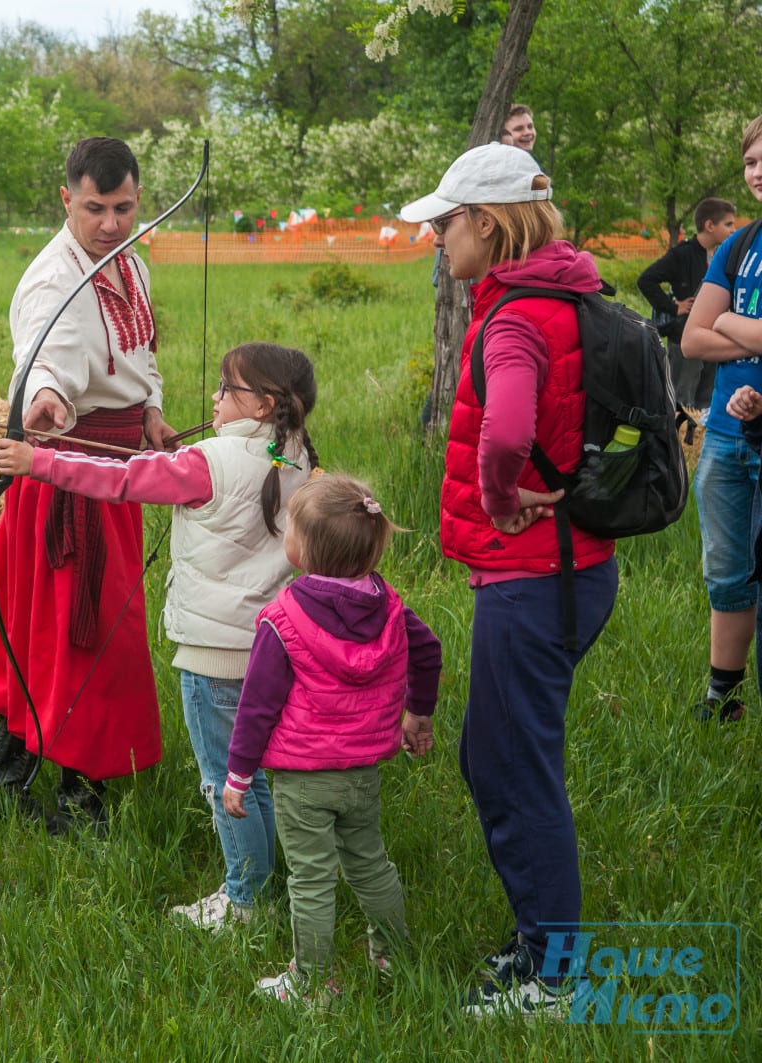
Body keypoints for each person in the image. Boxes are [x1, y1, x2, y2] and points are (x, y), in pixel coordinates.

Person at [398, 142, 619, 1017]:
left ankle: (553, 977)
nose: (436, 240)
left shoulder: (518, 317)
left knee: (511, 766)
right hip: (572, 567)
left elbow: (506, 430)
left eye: (444, 224)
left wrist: (499, 496)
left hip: (534, 575)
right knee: (505, 756)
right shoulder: (570, 291)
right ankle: (539, 940)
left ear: (486, 225)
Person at [0, 342, 317, 923]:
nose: (215, 397)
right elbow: (226, 476)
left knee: (224, 781)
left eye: (228, 389)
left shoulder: (207, 465)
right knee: (254, 775)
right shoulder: (295, 455)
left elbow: (120, 479)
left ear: (265, 404)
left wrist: (36, 462)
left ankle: (243, 899)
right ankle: (265, 883)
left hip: (213, 659)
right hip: (271, 651)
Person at [0, 136, 176, 834]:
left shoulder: (131, 263)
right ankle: (73, 806)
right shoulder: (54, 279)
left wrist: (150, 411)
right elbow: (41, 359)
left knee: (70, 637)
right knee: (74, 640)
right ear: (65, 200)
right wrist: (44, 400)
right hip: (64, 477)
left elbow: (138, 356)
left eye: (124, 207)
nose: (111, 223)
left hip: (115, 474)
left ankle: (12, 783)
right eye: (95, 208)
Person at [220, 475, 440, 1007]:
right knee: (370, 862)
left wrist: (237, 776)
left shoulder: (283, 620)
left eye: (291, 527)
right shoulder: (388, 606)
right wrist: (418, 715)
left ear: (303, 551)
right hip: (362, 772)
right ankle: (393, 955)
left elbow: (256, 706)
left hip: (301, 781)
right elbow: (428, 650)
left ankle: (313, 984)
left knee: (312, 879)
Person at [680, 113, 762, 723]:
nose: (758, 173)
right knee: (727, 574)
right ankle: (723, 697)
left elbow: (714, 326)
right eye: (751, 162)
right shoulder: (739, 245)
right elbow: (691, 339)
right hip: (727, 439)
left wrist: (726, 324)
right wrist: (751, 331)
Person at [636, 197, 737, 411]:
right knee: (682, 399)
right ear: (710, 225)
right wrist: (675, 307)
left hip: (714, 337)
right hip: (684, 336)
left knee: (706, 399)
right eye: (728, 224)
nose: (733, 230)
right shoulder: (682, 254)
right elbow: (646, 280)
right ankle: (681, 441)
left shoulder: (722, 255)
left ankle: (699, 438)